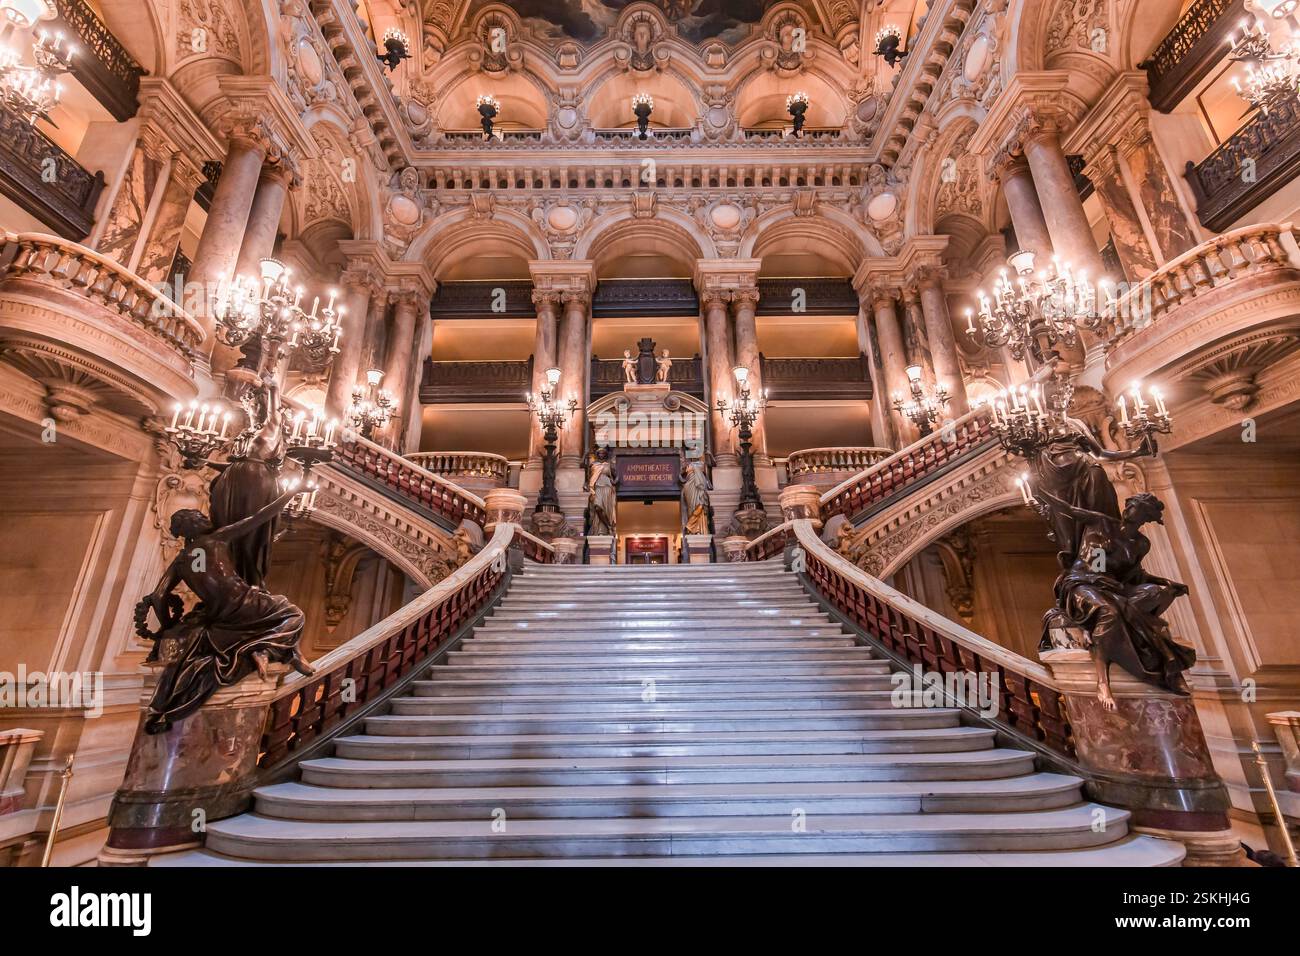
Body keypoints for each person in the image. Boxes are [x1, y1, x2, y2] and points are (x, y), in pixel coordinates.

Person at [140, 489, 313, 733]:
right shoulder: (216, 539)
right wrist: (294, 491)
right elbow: (260, 517)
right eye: (197, 517)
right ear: (192, 526)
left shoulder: (181, 561)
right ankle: (265, 648)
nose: (204, 519)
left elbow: (158, 597)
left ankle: (273, 650)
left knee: (275, 612)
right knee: (293, 613)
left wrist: (167, 626)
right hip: (247, 604)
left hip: (220, 616)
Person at [1038, 491, 1195, 711]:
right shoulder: (1102, 522)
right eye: (1130, 505)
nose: (1130, 509)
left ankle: (1107, 633)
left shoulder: (1141, 544)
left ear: (1146, 516)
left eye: (1137, 507)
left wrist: (1166, 582)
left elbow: (1136, 575)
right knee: (1109, 611)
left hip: (1113, 587)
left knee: (1157, 593)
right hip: (1083, 583)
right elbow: (1070, 510)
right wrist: (1039, 491)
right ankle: (1103, 682)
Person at [207, 373, 287, 588]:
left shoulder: (270, 428)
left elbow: (275, 415)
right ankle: (230, 578)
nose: (252, 410)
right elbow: (236, 464)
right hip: (232, 483)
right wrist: (203, 461)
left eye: (255, 405)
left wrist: (273, 390)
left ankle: (250, 582)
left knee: (250, 530)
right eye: (249, 406)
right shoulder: (246, 434)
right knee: (228, 529)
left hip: (256, 486)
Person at [586, 447, 617, 535]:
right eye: (600, 453)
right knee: (597, 507)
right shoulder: (593, 465)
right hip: (596, 488)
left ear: (605, 455)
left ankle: (606, 529)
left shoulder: (608, 464)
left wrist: (614, 481)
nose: (601, 455)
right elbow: (588, 477)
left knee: (606, 509)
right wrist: (585, 455)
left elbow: (617, 475)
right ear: (597, 454)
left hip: (607, 488)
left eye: (603, 453)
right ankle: (608, 526)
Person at [680, 454, 712, 535]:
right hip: (690, 485)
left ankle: (693, 527)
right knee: (693, 507)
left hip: (698, 486)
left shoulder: (701, 464)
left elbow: (708, 467)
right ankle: (692, 527)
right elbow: (682, 472)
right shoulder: (688, 464)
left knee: (700, 505)